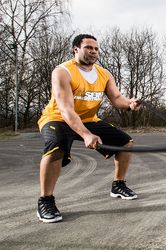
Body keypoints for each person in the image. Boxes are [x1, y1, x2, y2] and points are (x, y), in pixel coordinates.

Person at [36, 34, 141, 223]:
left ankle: (118, 185)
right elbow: (66, 109)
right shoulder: (62, 72)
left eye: (96, 48)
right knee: (55, 146)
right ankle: (46, 200)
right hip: (58, 118)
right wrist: (85, 134)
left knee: (125, 142)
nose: (93, 51)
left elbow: (116, 98)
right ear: (76, 49)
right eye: (88, 48)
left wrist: (129, 103)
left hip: (88, 119)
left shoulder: (104, 74)